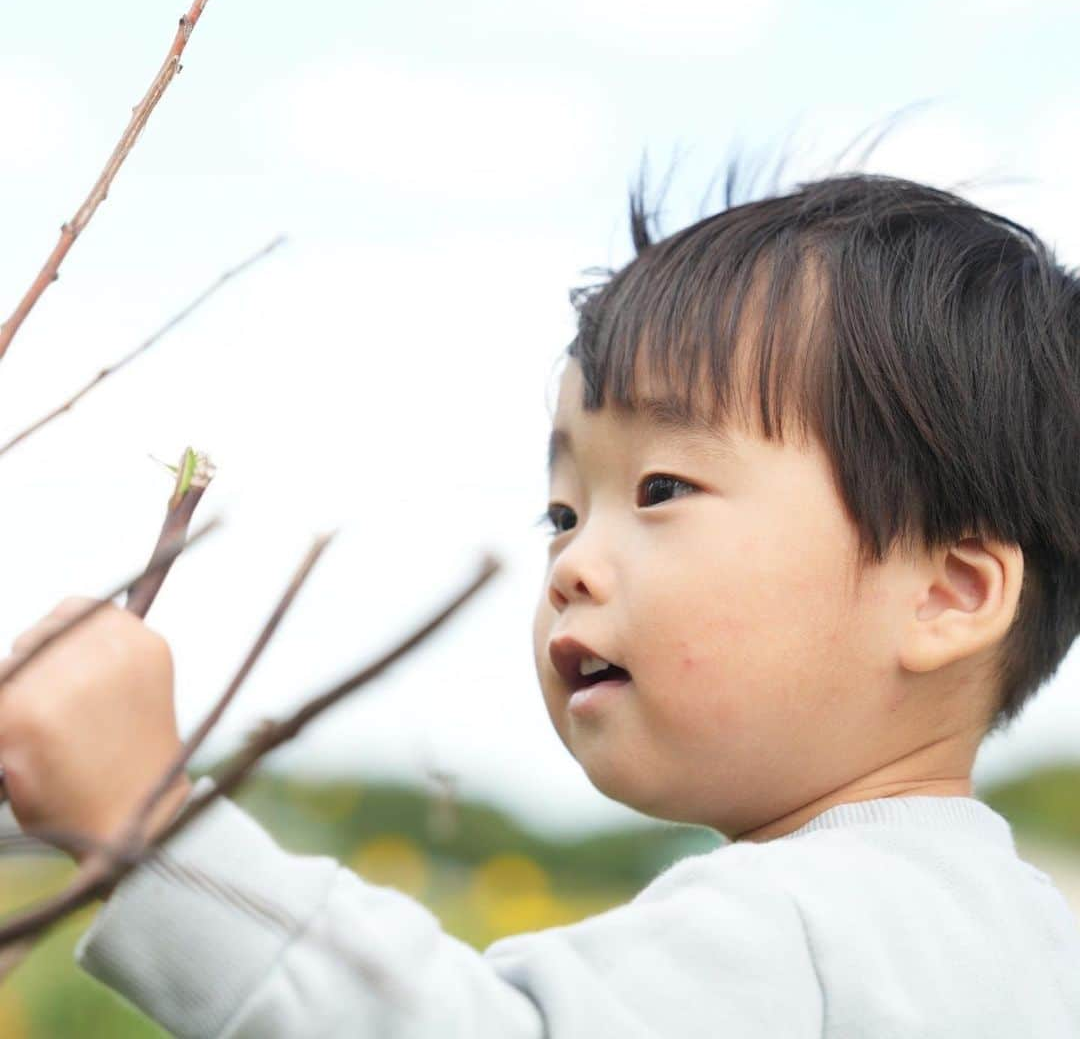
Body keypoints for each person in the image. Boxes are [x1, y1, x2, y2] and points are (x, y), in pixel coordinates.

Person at [1, 167, 1079, 1038]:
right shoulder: (1024, 940)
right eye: (562, 514)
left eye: (664, 489)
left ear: (946, 593)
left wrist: (150, 826)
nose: (570, 566)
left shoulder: (796, 928)